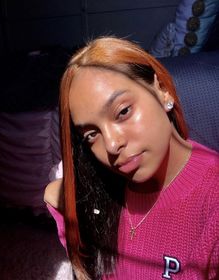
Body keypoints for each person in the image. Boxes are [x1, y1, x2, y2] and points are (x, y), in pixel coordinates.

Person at [44, 37, 219, 280]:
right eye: (92, 134)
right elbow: (57, 194)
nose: (113, 145)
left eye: (123, 112)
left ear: (162, 91)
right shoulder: (105, 188)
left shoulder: (213, 207)